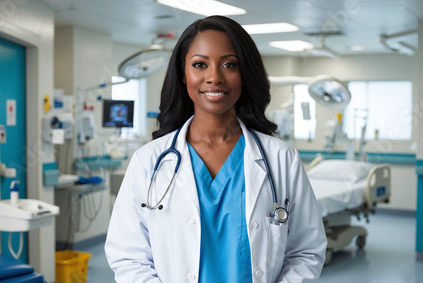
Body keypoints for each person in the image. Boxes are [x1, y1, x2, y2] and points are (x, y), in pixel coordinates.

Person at [105, 15, 327, 283]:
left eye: (229, 65)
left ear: (244, 75)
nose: (214, 77)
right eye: (200, 64)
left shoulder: (281, 158)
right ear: (183, 74)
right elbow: (128, 256)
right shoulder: (149, 161)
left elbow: (306, 252)